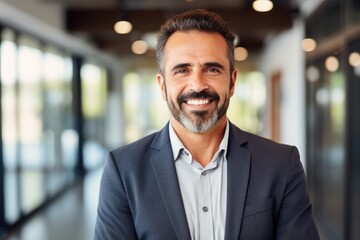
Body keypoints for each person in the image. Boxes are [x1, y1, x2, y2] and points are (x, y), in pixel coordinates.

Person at [94, 9, 320, 240]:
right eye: (182, 70)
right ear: (162, 86)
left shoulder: (281, 164)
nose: (197, 84)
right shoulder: (123, 170)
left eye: (212, 69)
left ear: (232, 82)